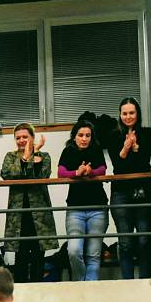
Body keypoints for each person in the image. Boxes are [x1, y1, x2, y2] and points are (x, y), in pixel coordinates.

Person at [1, 123, 58, 283]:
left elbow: (43, 175)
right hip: (18, 213)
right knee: (20, 254)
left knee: (39, 254)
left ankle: (38, 288)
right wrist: (25, 157)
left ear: (32, 137)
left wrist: (35, 155)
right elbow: (7, 174)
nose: (21, 140)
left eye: (25, 137)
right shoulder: (10, 156)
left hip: (39, 214)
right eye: (18, 138)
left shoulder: (44, 156)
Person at [106, 97, 151, 279]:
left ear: (138, 114)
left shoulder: (147, 134)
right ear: (120, 115)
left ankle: (145, 280)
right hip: (121, 192)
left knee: (144, 238)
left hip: (144, 191)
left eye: (131, 113)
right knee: (125, 241)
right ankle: (127, 281)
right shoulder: (113, 135)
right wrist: (126, 148)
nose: (128, 116)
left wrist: (135, 150)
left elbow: (143, 163)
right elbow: (118, 165)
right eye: (124, 113)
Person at [58, 120, 109, 281]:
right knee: (74, 250)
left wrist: (90, 171)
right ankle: (81, 284)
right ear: (74, 137)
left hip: (98, 208)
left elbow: (103, 169)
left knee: (93, 254)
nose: (84, 138)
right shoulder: (68, 151)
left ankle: (90, 287)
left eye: (88, 135)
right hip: (75, 208)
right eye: (80, 135)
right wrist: (77, 172)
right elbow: (61, 172)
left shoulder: (96, 150)